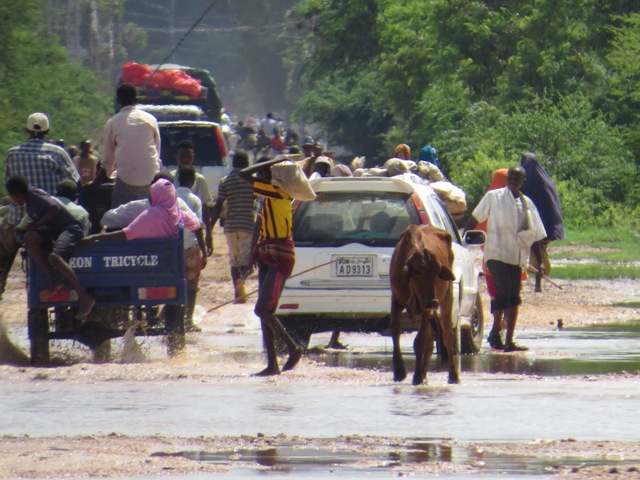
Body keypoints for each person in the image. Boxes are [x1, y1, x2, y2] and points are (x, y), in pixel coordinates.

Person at [464, 166, 546, 352]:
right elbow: (474, 219)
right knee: (505, 290)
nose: (513, 180)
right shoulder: (494, 197)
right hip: (495, 254)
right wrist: (463, 241)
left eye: (518, 178)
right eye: (511, 177)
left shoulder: (527, 204)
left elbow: (535, 236)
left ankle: (508, 340)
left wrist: (539, 262)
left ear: (523, 182)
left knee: (514, 296)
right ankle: (495, 332)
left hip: (516, 256)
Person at [0, 112, 81, 300]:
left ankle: (1, 282)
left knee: (4, 248)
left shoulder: (12, 154)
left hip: (20, 216)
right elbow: (75, 182)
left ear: (27, 130)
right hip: (53, 219)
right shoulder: (58, 152)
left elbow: (12, 187)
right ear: (47, 131)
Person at [239, 157, 303, 376]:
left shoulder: (277, 190)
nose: (259, 176)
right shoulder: (267, 194)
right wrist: (250, 259)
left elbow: (243, 174)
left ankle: (294, 349)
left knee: (262, 309)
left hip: (281, 254)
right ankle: (272, 364)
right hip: (266, 252)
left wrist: (268, 164)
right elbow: (259, 223)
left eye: (264, 172)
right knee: (267, 311)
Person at [7, 176, 94, 319]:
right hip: (55, 232)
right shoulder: (30, 203)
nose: (13, 201)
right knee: (30, 238)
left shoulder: (35, 195)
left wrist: (36, 224)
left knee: (54, 257)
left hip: (70, 229)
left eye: (12, 197)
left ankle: (84, 297)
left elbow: (55, 207)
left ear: (15, 195)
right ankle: (54, 279)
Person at [101, 82, 161, 207]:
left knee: (118, 215)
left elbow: (108, 158)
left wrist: (108, 174)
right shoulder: (150, 119)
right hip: (151, 176)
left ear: (118, 101)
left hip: (125, 179)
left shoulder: (113, 122)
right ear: (136, 100)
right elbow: (157, 149)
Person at [210, 150, 257, 304]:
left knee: (234, 261)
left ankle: (238, 295)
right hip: (247, 225)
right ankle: (242, 281)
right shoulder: (253, 181)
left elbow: (218, 206)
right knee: (247, 263)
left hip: (230, 226)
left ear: (233, 163)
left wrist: (209, 228)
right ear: (247, 164)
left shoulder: (225, 181)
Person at [520, 152, 566, 292]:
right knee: (540, 251)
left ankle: (533, 282)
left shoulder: (523, 182)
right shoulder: (547, 181)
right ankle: (537, 283)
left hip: (533, 224)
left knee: (529, 252)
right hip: (547, 225)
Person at [175, 166, 208, 332]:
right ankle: (188, 320)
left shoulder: (171, 198)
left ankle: (174, 318)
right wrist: (204, 250)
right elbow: (198, 226)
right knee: (192, 285)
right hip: (190, 247)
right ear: (193, 181)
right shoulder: (194, 200)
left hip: (172, 247)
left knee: (175, 283)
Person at [170, 140, 214, 256]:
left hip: (194, 235)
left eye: (188, 156)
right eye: (182, 156)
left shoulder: (199, 179)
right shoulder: (170, 177)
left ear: (193, 157)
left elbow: (205, 210)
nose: (185, 159)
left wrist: (209, 235)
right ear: (176, 157)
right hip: (173, 232)